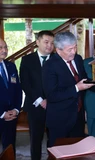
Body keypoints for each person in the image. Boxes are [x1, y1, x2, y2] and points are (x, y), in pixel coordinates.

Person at [42, 31, 95, 147]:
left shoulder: (78, 59)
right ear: (58, 50)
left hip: (78, 117)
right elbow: (52, 95)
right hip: (59, 120)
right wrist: (76, 88)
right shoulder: (50, 65)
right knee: (59, 152)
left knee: (78, 152)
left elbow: (85, 81)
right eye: (69, 49)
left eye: (75, 48)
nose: (73, 52)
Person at [20, 30, 54, 160]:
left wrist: (50, 100)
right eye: (46, 42)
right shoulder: (27, 60)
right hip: (35, 106)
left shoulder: (57, 59)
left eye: (52, 43)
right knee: (35, 138)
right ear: (37, 42)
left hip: (54, 106)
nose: (49, 45)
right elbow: (25, 83)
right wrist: (40, 100)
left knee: (54, 138)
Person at [0, 38, 22, 155]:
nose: (4, 50)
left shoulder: (11, 66)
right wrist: (2, 114)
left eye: (6, 47)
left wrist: (16, 109)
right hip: (1, 114)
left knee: (9, 148)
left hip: (11, 116)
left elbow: (18, 90)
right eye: (0, 47)